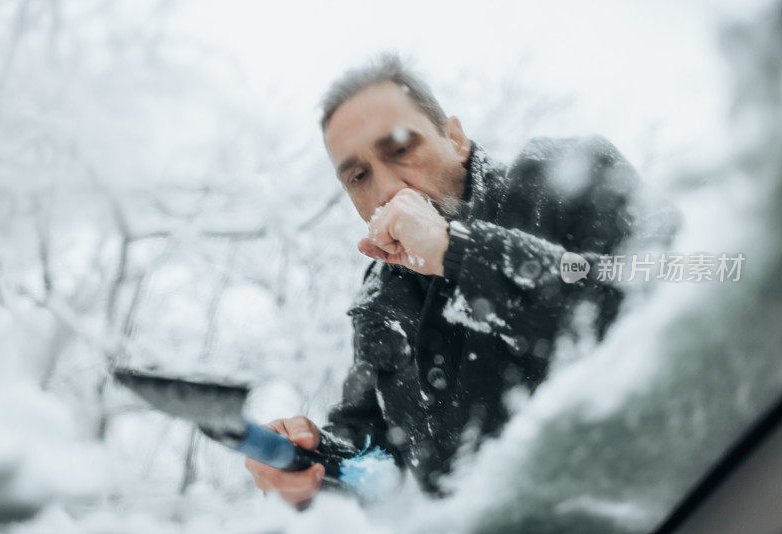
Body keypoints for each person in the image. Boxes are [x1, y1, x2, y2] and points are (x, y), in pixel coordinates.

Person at [244, 53, 678, 509]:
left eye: (401, 149)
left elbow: (687, 277)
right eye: (358, 176)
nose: (387, 189)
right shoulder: (379, 301)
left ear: (455, 137)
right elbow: (378, 456)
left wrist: (461, 252)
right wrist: (311, 459)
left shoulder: (567, 177)